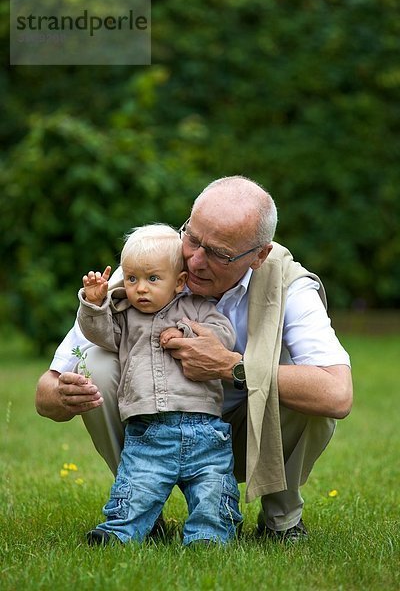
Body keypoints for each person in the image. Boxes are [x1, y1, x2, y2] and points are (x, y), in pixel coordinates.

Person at [36, 175, 353, 542]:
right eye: (192, 238)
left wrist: (229, 366)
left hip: (247, 433)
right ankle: (138, 512)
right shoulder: (148, 272)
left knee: (306, 390)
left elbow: (337, 393)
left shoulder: (290, 285)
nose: (196, 260)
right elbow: (47, 388)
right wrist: (62, 397)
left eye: (219, 253)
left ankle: (281, 522)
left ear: (259, 256)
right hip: (150, 429)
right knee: (96, 363)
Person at [75, 224, 242, 546]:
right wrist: (94, 304)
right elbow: (98, 336)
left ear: (179, 282)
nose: (140, 289)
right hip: (148, 430)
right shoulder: (124, 315)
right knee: (137, 485)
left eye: (153, 279)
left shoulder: (197, 307)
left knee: (212, 487)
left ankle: (209, 537)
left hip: (205, 429)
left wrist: (187, 334)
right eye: (132, 279)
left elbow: (224, 336)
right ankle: (118, 533)